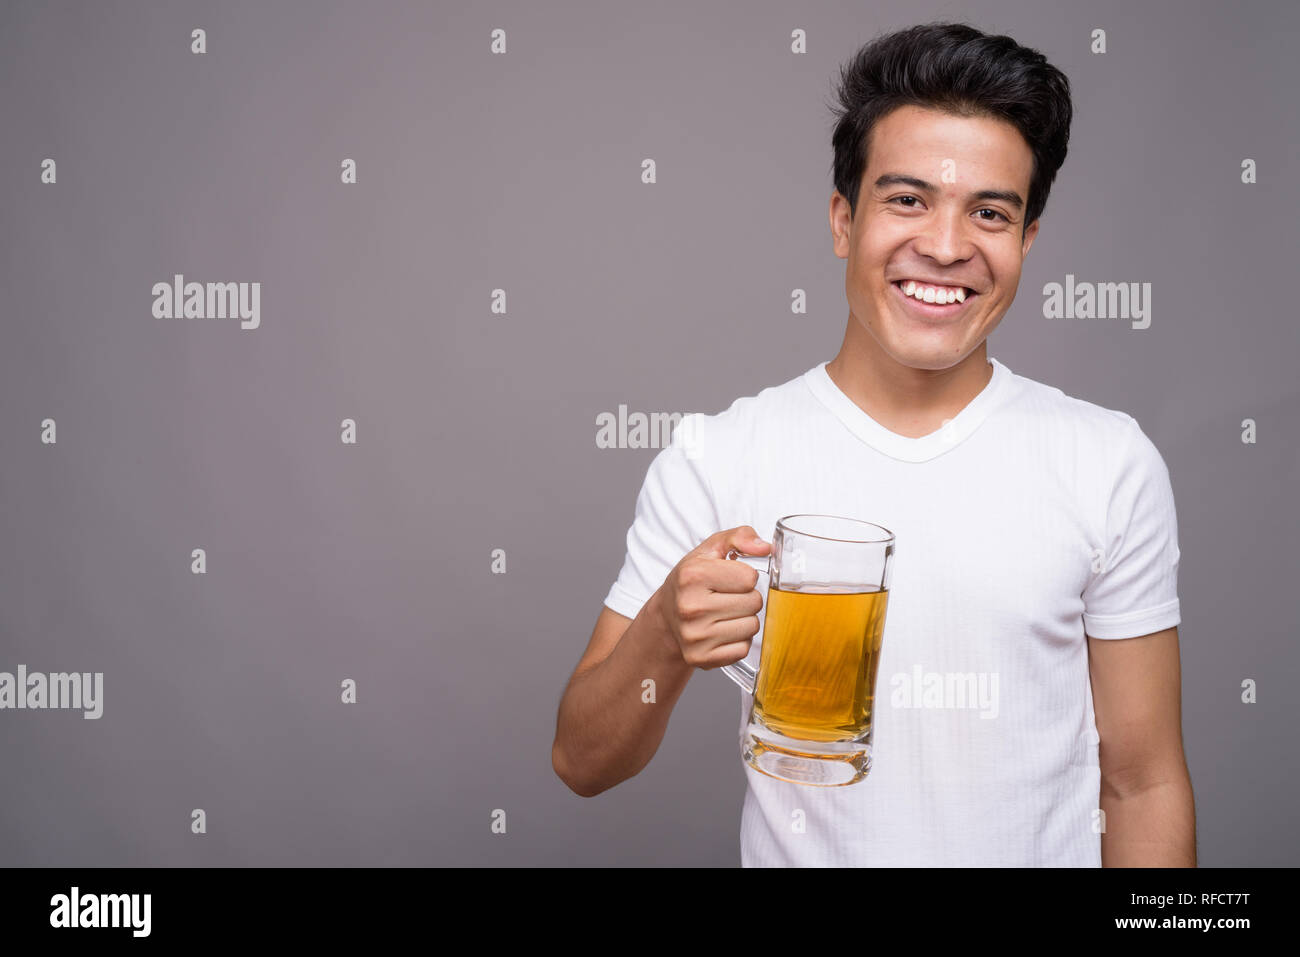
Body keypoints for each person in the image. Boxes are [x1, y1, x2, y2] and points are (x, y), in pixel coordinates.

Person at [552, 21, 1195, 867]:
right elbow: (582, 761)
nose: (945, 245)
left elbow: (1142, 783)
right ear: (842, 221)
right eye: (907, 199)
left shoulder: (1109, 463)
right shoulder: (717, 456)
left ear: (1027, 242)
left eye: (990, 212)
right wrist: (665, 636)